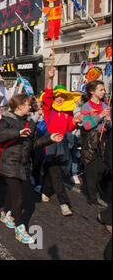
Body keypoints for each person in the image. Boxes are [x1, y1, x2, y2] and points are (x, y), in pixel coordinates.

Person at [0, 94, 63, 244]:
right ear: (19, 106)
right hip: (9, 163)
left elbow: (33, 145)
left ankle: (5, 213)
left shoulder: (30, 123)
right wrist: (17, 133)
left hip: (23, 163)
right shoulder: (7, 120)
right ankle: (20, 229)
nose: (31, 107)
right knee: (18, 196)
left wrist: (50, 139)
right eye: (27, 105)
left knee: (13, 193)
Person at [40, 67, 83, 216]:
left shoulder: (68, 111)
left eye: (62, 96)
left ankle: (45, 189)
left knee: (55, 171)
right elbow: (47, 96)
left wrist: (76, 121)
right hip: (50, 142)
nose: (59, 99)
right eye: (57, 96)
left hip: (63, 143)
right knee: (56, 172)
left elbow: (69, 127)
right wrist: (50, 79)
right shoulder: (48, 109)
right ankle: (64, 203)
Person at [79, 80, 111, 207]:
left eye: (104, 90)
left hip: (104, 140)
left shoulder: (105, 105)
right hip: (91, 140)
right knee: (92, 169)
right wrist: (99, 115)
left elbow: (109, 125)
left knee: (102, 168)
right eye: (101, 90)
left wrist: (108, 121)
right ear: (92, 92)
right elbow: (87, 125)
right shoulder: (86, 106)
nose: (103, 92)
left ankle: (96, 189)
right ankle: (92, 197)